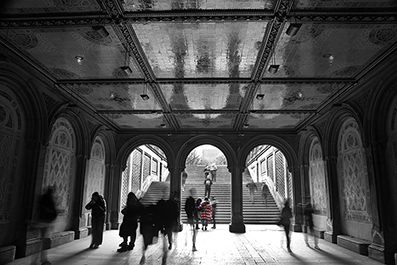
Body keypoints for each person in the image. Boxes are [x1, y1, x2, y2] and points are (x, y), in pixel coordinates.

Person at [32, 186, 58, 265]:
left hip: (40, 221)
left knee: (42, 241)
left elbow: (38, 209)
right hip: (45, 222)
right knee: (42, 241)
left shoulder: (43, 198)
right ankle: (40, 260)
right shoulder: (50, 199)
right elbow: (54, 211)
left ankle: (40, 260)